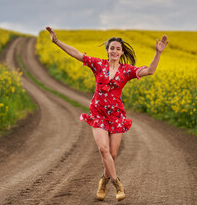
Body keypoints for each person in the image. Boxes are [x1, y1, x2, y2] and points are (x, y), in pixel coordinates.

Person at [45, 26, 168, 201]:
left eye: (118, 48)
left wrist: (158, 53)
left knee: (113, 155)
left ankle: (103, 181)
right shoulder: (98, 64)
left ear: (122, 51)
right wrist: (56, 41)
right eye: (112, 48)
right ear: (107, 50)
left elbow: (150, 71)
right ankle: (117, 184)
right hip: (98, 113)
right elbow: (76, 53)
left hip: (116, 115)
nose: (115, 51)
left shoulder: (126, 70)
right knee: (103, 150)